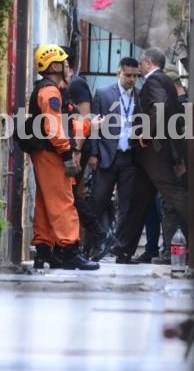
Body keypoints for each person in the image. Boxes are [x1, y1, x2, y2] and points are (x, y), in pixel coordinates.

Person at [111, 48, 194, 267]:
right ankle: (123, 249)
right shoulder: (164, 80)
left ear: (148, 62)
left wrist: (143, 133)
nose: (139, 68)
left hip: (155, 153)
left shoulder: (154, 81)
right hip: (150, 156)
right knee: (138, 202)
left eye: (141, 63)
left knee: (176, 196)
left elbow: (159, 109)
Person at [28, 44, 99, 270]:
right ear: (55, 65)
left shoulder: (53, 90)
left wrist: (87, 128)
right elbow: (54, 127)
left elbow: (69, 123)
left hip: (47, 152)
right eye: (65, 64)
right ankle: (69, 250)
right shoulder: (50, 92)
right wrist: (67, 151)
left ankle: (43, 250)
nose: (68, 69)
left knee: (45, 201)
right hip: (52, 153)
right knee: (62, 201)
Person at [88, 57, 146, 264]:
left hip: (130, 158)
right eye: (128, 75)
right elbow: (94, 127)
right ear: (118, 73)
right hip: (106, 157)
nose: (132, 79)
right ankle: (91, 248)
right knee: (98, 202)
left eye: (135, 76)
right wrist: (93, 154)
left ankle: (122, 250)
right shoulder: (103, 94)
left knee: (127, 207)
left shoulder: (141, 97)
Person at [60, 46, 112, 261]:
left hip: (77, 147)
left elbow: (84, 120)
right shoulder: (63, 87)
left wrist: (78, 151)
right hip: (71, 147)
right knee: (69, 197)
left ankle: (98, 237)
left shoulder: (77, 85)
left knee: (71, 196)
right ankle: (85, 241)